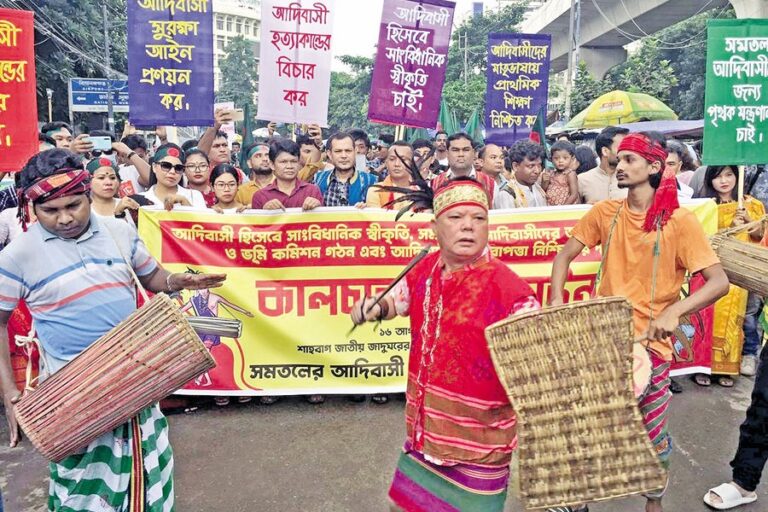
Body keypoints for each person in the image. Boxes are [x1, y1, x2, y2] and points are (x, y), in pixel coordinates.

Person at [0, 148, 226, 511]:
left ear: (88, 193)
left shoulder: (120, 231)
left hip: (137, 382)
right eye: (50, 211)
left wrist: (176, 280)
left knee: (149, 477)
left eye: (74, 205)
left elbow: (151, 276)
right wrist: (9, 392)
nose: (64, 219)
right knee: (82, 493)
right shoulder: (17, 255)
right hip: (71, 395)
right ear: (32, 208)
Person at [550, 133, 729, 512]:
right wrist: (555, 303)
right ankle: (578, 499)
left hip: (652, 347)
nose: (621, 165)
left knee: (652, 434)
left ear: (654, 166)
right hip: (603, 340)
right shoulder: (604, 213)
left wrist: (674, 311)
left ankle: (654, 501)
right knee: (588, 426)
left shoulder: (680, 221)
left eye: (630, 159)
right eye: (620, 159)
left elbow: (718, 282)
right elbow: (563, 257)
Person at [351, 177, 540, 512]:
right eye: (456, 217)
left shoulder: (510, 290)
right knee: (406, 508)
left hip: (481, 440)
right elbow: (398, 300)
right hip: (425, 430)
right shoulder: (424, 268)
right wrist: (375, 307)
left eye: (478, 218)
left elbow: (536, 353)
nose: (468, 226)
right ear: (435, 226)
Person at [693, 166, 765, 388]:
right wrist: (728, 226)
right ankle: (702, 367)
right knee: (707, 317)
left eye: (729, 175)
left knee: (736, 318)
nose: (723, 181)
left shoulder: (752, 204)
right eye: (717, 177)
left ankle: (728, 368)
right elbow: (699, 235)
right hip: (712, 269)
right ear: (709, 180)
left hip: (739, 272)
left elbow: (760, 235)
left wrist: (747, 221)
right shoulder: (706, 206)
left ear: (737, 176)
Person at [252, 139, 323, 211]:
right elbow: (256, 221)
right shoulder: (261, 196)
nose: (289, 166)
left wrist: (318, 207)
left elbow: (323, 220)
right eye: (283, 162)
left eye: (293, 161)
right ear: (272, 165)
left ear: (299, 163)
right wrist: (265, 212)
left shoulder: (312, 191)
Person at [314, 132, 377, 207]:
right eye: (338, 151)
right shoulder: (317, 180)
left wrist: (368, 209)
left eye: (348, 151)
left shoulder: (372, 181)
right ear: (329, 154)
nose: (344, 156)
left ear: (355, 151)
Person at [431, 133, 495, 205]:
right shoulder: (434, 184)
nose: (461, 154)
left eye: (466, 150)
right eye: (455, 150)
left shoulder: (491, 184)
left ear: (473, 153)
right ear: (447, 154)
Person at [139, 143, 207, 210]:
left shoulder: (194, 196)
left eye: (178, 168)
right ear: (154, 167)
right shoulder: (141, 199)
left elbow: (201, 220)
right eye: (166, 166)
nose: (172, 171)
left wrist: (185, 203)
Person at [577, 126, 630, 204]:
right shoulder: (582, 180)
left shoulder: (633, 177)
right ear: (605, 151)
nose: (626, 152)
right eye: (621, 148)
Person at [86, 158, 139, 228]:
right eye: (101, 178)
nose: (109, 183)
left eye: (113, 178)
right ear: (88, 181)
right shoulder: (84, 209)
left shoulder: (128, 205)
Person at [495, 140, 547, 209]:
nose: (537, 171)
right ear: (515, 166)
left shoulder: (538, 189)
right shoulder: (507, 195)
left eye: (539, 165)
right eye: (531, 166)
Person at [366, 142, 414, 209]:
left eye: (403, 160)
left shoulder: (422, 192)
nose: (397, 164)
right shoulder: (376, 190)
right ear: (386, 163)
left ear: (412, 164)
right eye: (392, 159)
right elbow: (375, 218)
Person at [542, 140, 580, 205]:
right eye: (556, 158)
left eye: (565, 158)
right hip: (550, 208)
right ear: (551, 159)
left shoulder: (570, 174)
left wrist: (563, 208)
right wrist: (545, 181)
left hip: (564, 209)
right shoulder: (551, 174)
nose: (560, 161)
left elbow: (574, 195)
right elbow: (543, 190)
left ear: (572, 158)